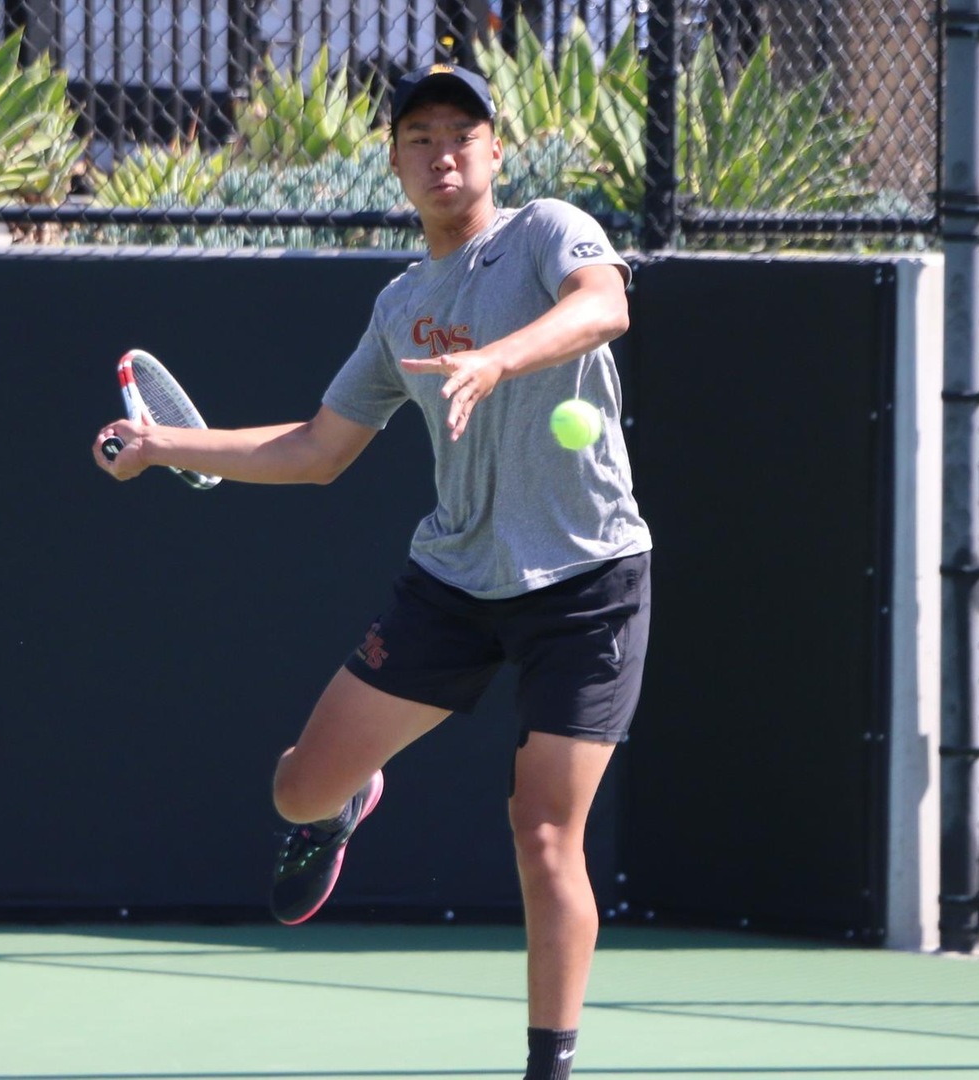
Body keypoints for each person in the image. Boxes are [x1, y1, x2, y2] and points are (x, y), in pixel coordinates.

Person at [94, 62, 651, 1080]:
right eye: (419, 137)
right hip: (454, 585)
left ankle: (550, 1067)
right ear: (395, 161)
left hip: (586, 582)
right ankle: (347, 807)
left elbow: (604, 305)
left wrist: (498, 360)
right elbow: (316, 449)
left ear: (495, 151)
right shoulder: (401, 306)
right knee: (298, 791)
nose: (442, 152)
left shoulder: (546, 233)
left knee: (543, 833)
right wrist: (169, 447)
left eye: (460, 134)